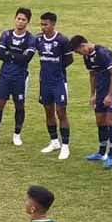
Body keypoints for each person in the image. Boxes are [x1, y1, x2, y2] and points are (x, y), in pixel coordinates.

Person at [0, 8, 37, 150]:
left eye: (23, 19)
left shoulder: (31, 39)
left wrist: (10, 54)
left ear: (27, 22)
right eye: (18, 18)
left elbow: (27, 58)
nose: (20, 21)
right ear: (15, 19)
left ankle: (17, 135)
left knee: (19, 105)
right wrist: (17, 55)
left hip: (20, 77)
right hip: (5, 76)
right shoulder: (6, 35)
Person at [69, 35, 112, 168]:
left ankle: (111, 155)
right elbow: (92, 74)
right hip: (100, 91)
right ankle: (101, 152)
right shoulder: (86, 56)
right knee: (100, 121)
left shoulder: (103, 53)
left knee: (111, 121)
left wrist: (110, 95)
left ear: (83, 46)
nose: (78, 54)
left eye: (78, 51)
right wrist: (93, 94)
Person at [35, 12, 74, 159]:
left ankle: (65, 146)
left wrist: (57, 66)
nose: (43, 27)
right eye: (42, 24)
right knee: (48, 111)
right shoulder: (38, 39)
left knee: (61, 112)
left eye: (46, 24)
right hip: (44, 81)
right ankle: (54, 141)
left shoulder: (62, 40)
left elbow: (69, 59)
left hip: (58, 81)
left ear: (53, 24)